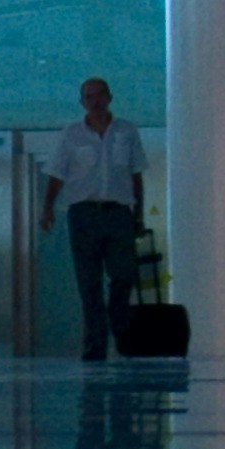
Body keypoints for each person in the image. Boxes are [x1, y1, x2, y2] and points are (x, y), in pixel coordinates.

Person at [37, 79, 148, 360]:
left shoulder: (126, 132)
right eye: (88, 96)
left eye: (99, 95)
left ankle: (120, 329)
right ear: (82, 102)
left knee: (123, 275)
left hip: (118, 212)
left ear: (110, 97)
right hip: (84, 213)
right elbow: (57, 174)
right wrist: (47, 208)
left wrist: (138, 214)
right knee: (88, 282)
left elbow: (136, 175)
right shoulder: (71, 135)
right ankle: (95, 344)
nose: (95, 101)